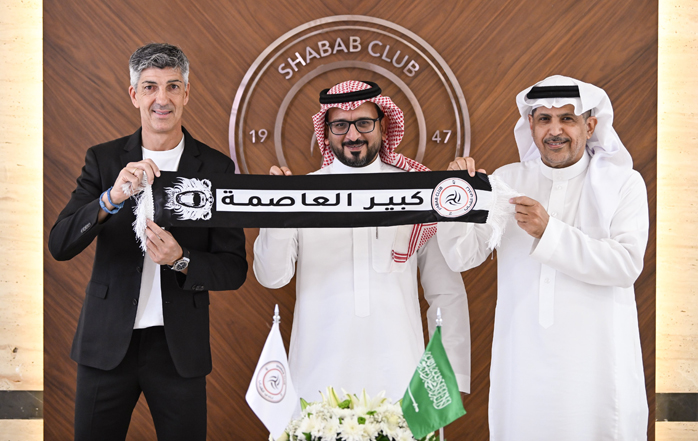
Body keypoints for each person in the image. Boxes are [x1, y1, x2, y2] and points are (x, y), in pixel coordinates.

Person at [48, 43, 247, 441]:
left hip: (178, 350)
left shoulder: (216, 168)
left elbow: (234, 268)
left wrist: (182, 259)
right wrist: (110, 198)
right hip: (106, 344)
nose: (162, 99)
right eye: (150, 87)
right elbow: (60, 244)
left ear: (186, 94)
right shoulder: (103, 160)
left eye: (173, 86)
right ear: (134, 94)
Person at [438, 75, 649, 440]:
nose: (555, 130)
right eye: (544, 119)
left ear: (590, 125)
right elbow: (462, 257)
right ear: (530, 125)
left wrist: (549, 231)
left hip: (596, 364)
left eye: (567, 118)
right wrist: (458, 198)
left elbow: (626, 265)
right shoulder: (507, 182)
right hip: (524, 361)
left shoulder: (624, 183)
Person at [253, 80, 470, 401]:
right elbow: (272, 277)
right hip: (317, 378)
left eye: (364, 123)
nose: (353, 135)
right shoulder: (301, 194)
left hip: (401, 378)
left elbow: (445, 292)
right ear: (325, 132)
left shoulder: (416, 193)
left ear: (383, 126)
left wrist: (448, 375)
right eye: (340, 125)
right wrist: (280, 210)